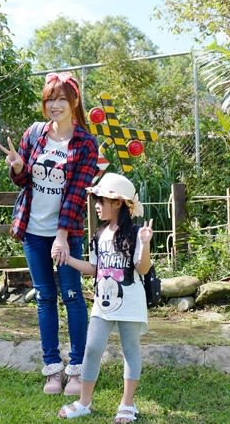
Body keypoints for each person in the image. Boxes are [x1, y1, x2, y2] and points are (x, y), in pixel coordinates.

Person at [0, 72, 98, 396]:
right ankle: (53, 370)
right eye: (49, 100)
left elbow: (76, 194)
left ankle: (78, 370)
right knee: (44, 297)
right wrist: (17, 167)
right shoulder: (35, 134)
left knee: (72, 296)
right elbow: (25, 183)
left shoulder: (84, 143)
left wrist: (63, 235)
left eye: (61, 100)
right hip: (33, 232)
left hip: (66, 234)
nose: (54, 106)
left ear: (74, 102)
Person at [55, 172, 153, 422]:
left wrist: (146, 243)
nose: (96, 206)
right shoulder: (99, 235)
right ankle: (84, 402)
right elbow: (94, 269)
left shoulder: (135, 233)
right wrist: (68, 260)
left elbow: (141, 269)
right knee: (92, 349)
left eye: (101, 201)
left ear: (118, 202)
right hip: (103, 303)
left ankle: (127, 405)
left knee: (130, 349)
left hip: (130, 303)